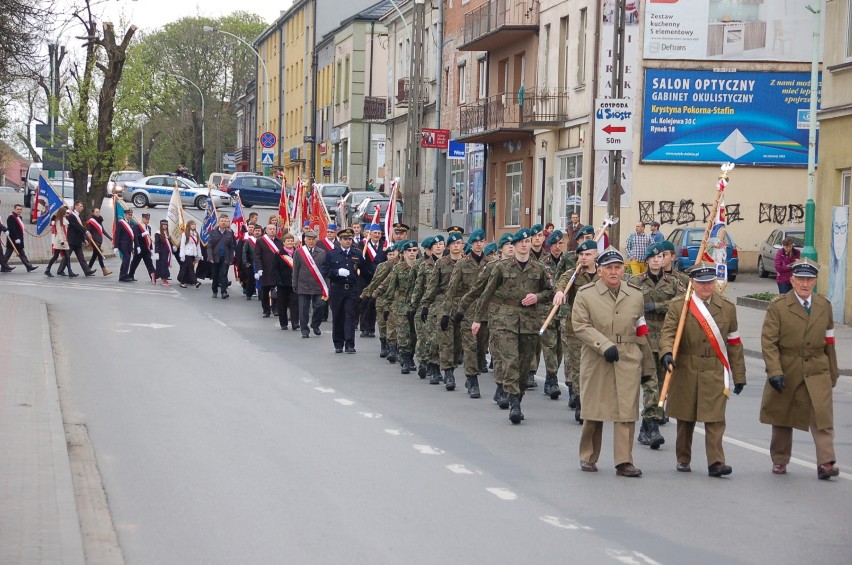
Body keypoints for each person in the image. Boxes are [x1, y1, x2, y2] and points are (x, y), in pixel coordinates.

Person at [571, 247, 655, 476]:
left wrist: (647, 366)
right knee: (594, 411)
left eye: (618, 267)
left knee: (626, 411)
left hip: (628, 357)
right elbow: (580, 325)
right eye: (609, 268)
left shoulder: (635, 294)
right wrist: (603, 344)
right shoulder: (586, 294)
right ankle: (588, 456)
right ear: (599, 271)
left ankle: (624, 461)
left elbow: (641, 330)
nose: (614, 272)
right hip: (597, 358)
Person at [660, 261, 746, 477]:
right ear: (693, 282)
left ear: (715, 282)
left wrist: (739, 374)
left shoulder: (727, 308)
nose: (706, 287)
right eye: (701, 283)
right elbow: (668, 333)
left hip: (714, 368)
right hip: (687, 366)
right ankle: (683, 458)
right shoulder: (680, 306)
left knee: (715, 418)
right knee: (685, 418)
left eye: (709, 282)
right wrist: (667, 353)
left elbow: (734, 343)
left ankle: (716, 462)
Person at [759, 259, 840, 479]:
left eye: (809, 279)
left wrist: (833, 370)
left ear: (815, 281)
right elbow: (769, 342)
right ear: (792, 280)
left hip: (817, 367)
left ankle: (826, 462)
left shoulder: (824, 306)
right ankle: (780, 459)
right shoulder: (778, 307)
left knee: (822, 416)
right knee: (783, 416)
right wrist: (775, 371)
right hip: (788, 366)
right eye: (801, 279)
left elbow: (829, 340)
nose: (805, 284)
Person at [472, 228, 552, 424]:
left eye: (527, 242)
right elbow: (487, 293)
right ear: (514, 246)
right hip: (505, 320)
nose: (524, 245)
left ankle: (519, 395)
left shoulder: (539, 268)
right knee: (510, 361)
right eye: (520, 242)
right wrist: (477, 319)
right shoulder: (501, 267)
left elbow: (550, 292)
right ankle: (514, 402)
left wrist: (537, 297)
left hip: (529, 321)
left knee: (525, 366)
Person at [629, 242, 683, 450]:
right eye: (652, 258)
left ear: (664, 259)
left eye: (660, 257)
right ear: (647, 261)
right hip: (644, 338)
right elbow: (628, 304)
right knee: (650, 385)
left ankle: (646, 427)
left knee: (662, 386)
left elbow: (681, 303)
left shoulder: (673, 282)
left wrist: (659, 306)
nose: (656, 260)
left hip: (666, 339)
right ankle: (652, 428)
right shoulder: (635, 282)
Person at [552, 239, 599, 423]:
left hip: (598, 328)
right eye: (581, 255)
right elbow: (560, 284)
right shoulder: (572, 275)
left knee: (596, 367)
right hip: (576, 327)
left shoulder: (603, 275)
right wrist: (560, 292)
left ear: (596, 255)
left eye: (588, 254)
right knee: (579, 367)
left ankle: (593, 400)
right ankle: (582, 403)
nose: (584, 258)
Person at [443, 229, 489, 397]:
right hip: (467, 311)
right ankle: (472, 379)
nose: (479, 244)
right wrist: (447, 313)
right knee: (469, 346)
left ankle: (473, 373)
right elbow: (451, 290)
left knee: (481, 347)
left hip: (485, 311)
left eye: (481, 241)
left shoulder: (490, 263)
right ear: (471, 244)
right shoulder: (463, 264)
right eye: (476, 241)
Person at [422, 230, 465, 388]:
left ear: (462, 246)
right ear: (449, 246)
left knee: (458, 341)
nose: (456, 246)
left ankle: (451, 365)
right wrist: (426, 304)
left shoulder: (467, 262)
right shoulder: (441, 264)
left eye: (459, 243)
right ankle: (448, 373)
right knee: (445, 339)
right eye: (453, 244)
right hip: (443, 303)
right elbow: (433, 286)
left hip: (462, 304)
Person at [292, 229, 328, 337]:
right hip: (303, 284)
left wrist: (327, 285)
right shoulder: (299, 252)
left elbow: (325, 269)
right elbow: (296, 269)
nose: (311, 241)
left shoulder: (321, 252)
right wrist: (294, 283)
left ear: (316, 240)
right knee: (303, 309)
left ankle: (315, 324)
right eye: (309, 239)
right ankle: (304, 330)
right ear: (305, 240)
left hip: (318, 285)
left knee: (320, 306)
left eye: (313, 239)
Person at [255, 224, 284, 318]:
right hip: (265, 269)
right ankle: (266, 310)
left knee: (276, 290)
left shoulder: (279, 241)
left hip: (276, 269)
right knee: (265, 291)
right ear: (266, 231)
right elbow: (257, 256)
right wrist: (259, 268)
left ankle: (275, 309)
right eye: (270, 229)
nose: (272, 231)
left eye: (274, 229)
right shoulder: (261, 241)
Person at [208, 213, 236, 299]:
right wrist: (210, 257)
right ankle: (214, 291)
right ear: (218, 222)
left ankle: (224, 291)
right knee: (215, 275)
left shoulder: (229, 233)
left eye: (225, 221)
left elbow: (231, 247)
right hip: (215, 257)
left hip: (225, 257)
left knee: (223, 274)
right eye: (222, 221)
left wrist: (231, 258)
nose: (223, 223)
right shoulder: (213, 232)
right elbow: (209, 246)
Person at [65, 201, 97, 277]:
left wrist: (84, 239)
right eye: (80, 206)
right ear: (76, 206)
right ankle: (57, 269)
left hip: (78, 240)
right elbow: (77, 227)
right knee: (67, 256)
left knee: (81, 257)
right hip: (72, 240)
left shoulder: (77, 216)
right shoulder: (72, 216)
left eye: (82, 206)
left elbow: (79, 229)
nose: (82, 208)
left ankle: (87, 271)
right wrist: (86, 232)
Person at [4, 203, 38, 272]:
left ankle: (28, 266)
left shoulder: (19, 217)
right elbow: (12, 229)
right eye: (17, 209)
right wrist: (16, 239)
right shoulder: (11, 217)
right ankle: (3, 266)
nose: (19, 211)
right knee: (8, 254)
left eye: (20, 209)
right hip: (13, 239)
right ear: (14, 209)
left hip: (18, 239)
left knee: (22, 253)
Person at [277, 233, 299, 330]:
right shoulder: (278, 253)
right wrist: (278, 280)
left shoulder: (298, 253)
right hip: (282, 282)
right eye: (288, 241)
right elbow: (275, 268)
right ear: (284, 242)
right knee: (282, 304)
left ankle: (295, 323)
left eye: (291, 241)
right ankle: (283, 323)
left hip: (294, 282)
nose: (290, 243)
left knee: (294, 303)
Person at [129, 212, 156, 284]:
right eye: (146, 219)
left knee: (149, 263)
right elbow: (135, 236)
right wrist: (142, 234)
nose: (148, 221)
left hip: (146, 249)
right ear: (143, 219)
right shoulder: (137, 226)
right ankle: (131, 275)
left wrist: (151, 249)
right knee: (135, 263)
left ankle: (152, 276)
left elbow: (149, 239)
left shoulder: (148, 227)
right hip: (139, 248)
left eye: (148, 219)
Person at [45, 206, 72, 277]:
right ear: (62, 213)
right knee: (56, 256)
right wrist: (62, 241)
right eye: (65, 212)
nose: (66, 213)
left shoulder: (64, 219)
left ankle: (70, 272)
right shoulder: (58, 221)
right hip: (60, 241)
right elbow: (59, 232)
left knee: (67, 256)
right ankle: (47, 269)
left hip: (65, 240)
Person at [86, 207, 112, 276]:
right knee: (100, 255)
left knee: (94, 256)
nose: (98, 213)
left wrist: (110, 238)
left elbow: (102, 230)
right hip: (95, 241)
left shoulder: (99, 220)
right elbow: (89, 231)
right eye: (96, 212)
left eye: (98, 212)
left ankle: (88, 269)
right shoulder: (91, 221)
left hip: (99, 240)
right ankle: (104, 271)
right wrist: (90, 242)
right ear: (93, 213)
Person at [178, 220, 202, 288]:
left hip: (193, 254)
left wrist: (199, 255)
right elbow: (182, 245)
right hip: (187, 253)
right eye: (192, 224)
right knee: (191, 268)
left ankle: (182, 282)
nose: (194, 226)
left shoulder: (196, 234)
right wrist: (182, 255)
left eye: (194, 224)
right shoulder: (185, 234)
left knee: (187, 269)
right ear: (189, 225)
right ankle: (195, 282)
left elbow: (198, 245)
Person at [115, 207, 136, 281]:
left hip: (129, 245)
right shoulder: (121, 223)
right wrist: (116, 246)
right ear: (125, 215)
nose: (130, 216)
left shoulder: (131, 223)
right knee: (126, 259)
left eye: (131, 215)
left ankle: (123, 274)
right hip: (122, 244)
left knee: (127, 259)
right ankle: (123, 275)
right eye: (128, 215)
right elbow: (117, 235)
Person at [154, 220, 175, 286]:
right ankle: (164, 280)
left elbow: (169, 243)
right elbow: (157, 244)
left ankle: (155, 275)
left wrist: (173, 247)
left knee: (165, 265)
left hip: (167, 252)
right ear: (161, 225)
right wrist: (156, 252)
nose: (165, 226)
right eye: (163, 225)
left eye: (166, 225)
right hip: (161, 252)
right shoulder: (158, 233)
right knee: (163, 266)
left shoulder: (167, 233)